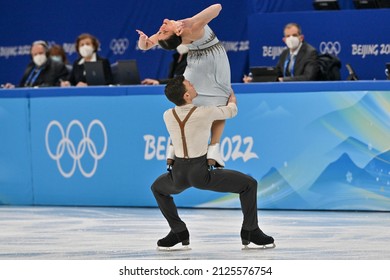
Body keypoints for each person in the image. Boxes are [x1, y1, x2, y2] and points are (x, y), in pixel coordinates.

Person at [151, 75, 275, 250]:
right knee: (249, 184)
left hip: (177, 174)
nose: (193, 85)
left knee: (157, 188)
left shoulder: (167, 115)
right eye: (189, 85)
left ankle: (178, 230)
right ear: (186, 95)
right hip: (200, 173)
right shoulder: (204, 112)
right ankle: (250, 230)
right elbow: (231, 111)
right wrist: (232, 99)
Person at [136, 3, 230, 169]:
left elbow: (146, 45)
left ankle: (198, 149)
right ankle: (187, 147)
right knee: (196, 102)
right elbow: (218, 7)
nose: (161, 28)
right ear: (176, 34)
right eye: (163, 31)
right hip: (206, 60)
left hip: (205, 60)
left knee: (204, 103)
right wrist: (191, 21)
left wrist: (143, 41)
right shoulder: (191, 27)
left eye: (161, 31)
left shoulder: (178, 30)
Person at [243, 23, 319, 83]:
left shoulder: (310, 52)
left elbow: (308, 77)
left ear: (301, 38)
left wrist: (284, 80)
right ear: (284, 39)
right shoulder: (285, 53)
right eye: (288, 36)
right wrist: (255, 80)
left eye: (294, 35)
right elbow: (276, 74)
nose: (291, 38)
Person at [2, 40, 69, 88]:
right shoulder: (30, 67)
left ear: (47, 53)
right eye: (35, 54)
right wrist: (14, 87)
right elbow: (24, 86)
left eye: (40, 53)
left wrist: (39, 87)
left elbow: (58, 85)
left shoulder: (57, 66)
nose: (38, 56)